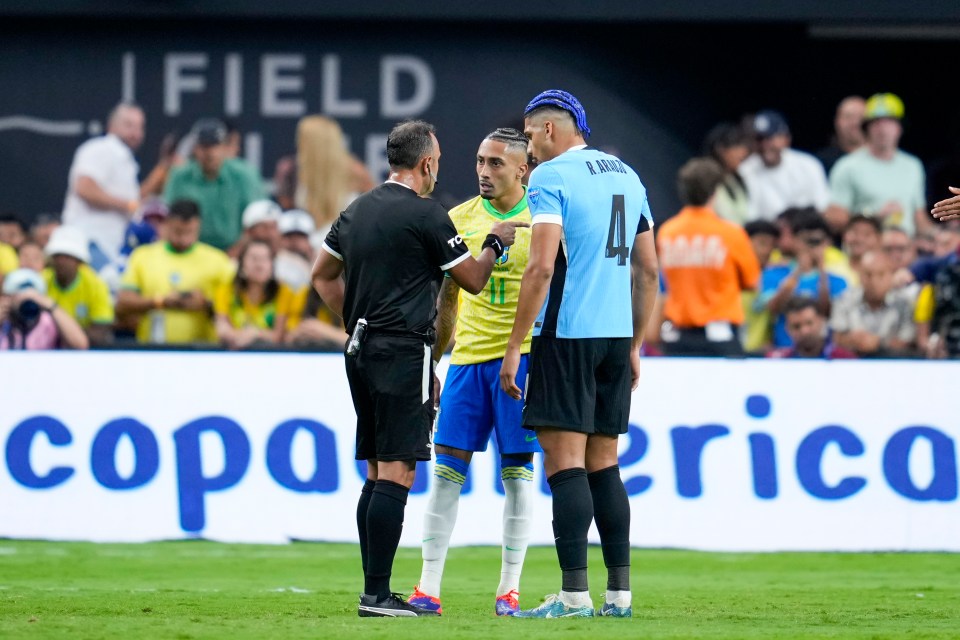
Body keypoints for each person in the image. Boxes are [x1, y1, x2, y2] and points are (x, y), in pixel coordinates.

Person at [310, 120, 527, 618]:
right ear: (427, 162)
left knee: (374, 470)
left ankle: (373, 591)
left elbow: (322, 276)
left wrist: (356, 321)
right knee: (398, 471)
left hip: (360, 350)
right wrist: (494, 242)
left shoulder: (355, 210)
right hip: (403, 350)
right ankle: (379, 597)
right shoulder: (428, 215)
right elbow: (471, 280)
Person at [498, 90, 659, 618]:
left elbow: (542, 267)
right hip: (615, 338)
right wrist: (635, 343)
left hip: (566, 334)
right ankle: (619, 596)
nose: (528, 148)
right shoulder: (629, 176)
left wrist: (514, 346)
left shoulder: (551, 177)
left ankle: (572, 597)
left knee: (565, 466)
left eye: (528, 135)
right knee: (605, 466)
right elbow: (649, 270)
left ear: (548, 130)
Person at [407, 128, 537, 617]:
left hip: (522, 359)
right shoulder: (458, 219)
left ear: (522, 169)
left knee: (518, 476)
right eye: (481, 161)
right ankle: (427, 587)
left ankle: (509, 591)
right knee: (444, 474)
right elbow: (448, 300)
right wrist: (436, 362)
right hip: (467, 363)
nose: (484, 172)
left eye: (496, 164)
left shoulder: (542, 218)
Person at [657, 157, 760, 357]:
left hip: (676, 338)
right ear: (715, 191)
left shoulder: (667, 232)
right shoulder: (731, 233)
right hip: (719, 337)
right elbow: (753, 283)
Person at [116, 199, 234, 345]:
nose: (184, 239)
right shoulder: (143, 256)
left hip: (204, 352)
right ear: (166, 225)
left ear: (199, 227)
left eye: (190, 232)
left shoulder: (219, 261)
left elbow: (235, 310)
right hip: (152, 350)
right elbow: (122, 303)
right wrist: (160, 301)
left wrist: (206, 304)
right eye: (178, 231)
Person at [826, 93, 929, 237]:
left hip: (906, 248)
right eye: (876, 123)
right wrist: (872, 219)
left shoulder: (913, 165)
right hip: (867, 249)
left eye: (889, 122)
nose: (883, 129)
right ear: (866, 129)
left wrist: (939, 234)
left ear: (900, 128)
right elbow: (834, 220)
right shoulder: (847, 166)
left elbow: (919, 217)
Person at [62, 103, 145, 270]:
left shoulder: (125, 159)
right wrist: (127, 205)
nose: (135, 133)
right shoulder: (101, 148)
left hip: (111, 247)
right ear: (111, 126)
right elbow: (84, 188)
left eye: (140, 127)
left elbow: (134, 200)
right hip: (90, 242)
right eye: (129, 125)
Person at [163, 119, 266, 251]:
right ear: (195, 149)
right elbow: (168, 219)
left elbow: (258, 221)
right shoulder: (179, 177)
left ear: (224, 147)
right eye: (204, 146)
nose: (210, 153)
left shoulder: (244, 175)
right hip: (190, 252)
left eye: (215, 146)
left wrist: (236, 253)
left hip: (236, 253)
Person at [760, 212, 848, 348]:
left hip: (823, 353)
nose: (811, 247)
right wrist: (798, 271)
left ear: (827, 243)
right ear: (795, 241)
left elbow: (827, 313)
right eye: (806, 241)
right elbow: (774, 308)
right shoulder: (774, 274)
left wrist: (821, 270)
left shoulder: (838, 281)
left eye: (817, 241)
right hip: (785, 350)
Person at [739, 110, 830, 221]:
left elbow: (822, 206)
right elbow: (750, 216)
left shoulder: (808, 165)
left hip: (803, 228)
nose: (764, 145)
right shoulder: (745, 170)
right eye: (759, 139)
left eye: (770, 138)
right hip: (768, 232)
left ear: (786, 139)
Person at [830, 251, 916, 357]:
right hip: (852, 363)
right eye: (868, 274)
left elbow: (907, 341)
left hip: (891, 364)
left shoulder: (903, 303)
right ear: (860, 275)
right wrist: (854, 340)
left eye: (881, 274)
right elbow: (837, 338)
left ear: (891, 275)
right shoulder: (844, 299)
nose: (874, 281)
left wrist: (878, 343)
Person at [41, 226, 114, 346]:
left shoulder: (96, 285)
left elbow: (100, 332)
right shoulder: (41, 281)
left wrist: (65, 331)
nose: (61, 261)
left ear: (79, 261)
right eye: (57, 255)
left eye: (68, 257)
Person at [214, 239, 292, 350]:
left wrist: (255, 334)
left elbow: (279, 336)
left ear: (272, 265)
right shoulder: (226, 289)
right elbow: (222, 329)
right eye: (254, 258)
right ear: (241, 264)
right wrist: (246, 336)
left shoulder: (283, 291)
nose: (259, 265)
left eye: (265, 259)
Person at [1, 268, 88, 350]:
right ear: (8, 297)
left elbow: (80, 345)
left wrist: (52, 306)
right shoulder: (4, 320)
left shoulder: (48, 321)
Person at [767, 296, 856, 359]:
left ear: (821, 321)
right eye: (796, 326)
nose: (804, 331)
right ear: (787, 329)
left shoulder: (844, 359)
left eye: (809, 323)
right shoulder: (778, 362)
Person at [741, 220, 780, 353]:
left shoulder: (777, 278)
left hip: (762, 354)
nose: (768, 250)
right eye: (762, 243)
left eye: (772, 246)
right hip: (733, 351)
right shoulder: (729, 278)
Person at [702, 123, 751, 225]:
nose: (743, 152)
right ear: (720, 149)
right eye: (737, 146)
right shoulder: (706, 181)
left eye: (744, 146)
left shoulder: (738, 180)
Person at [816, 96, 866, 174]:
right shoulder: (819, 163)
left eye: (861, 117)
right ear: (836, 122)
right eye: (848, 117)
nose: (855, 123)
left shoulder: (883, 159)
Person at [274, 209, 315, 290]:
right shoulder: (273, 266)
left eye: (300, 236)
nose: (294, 242)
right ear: (279, 239)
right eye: (289, 236)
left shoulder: (319, 264)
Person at [842, 214, 882, 279]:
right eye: (854, 232)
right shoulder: (831, 267)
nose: (859, 239)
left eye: (867, 234)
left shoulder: (886, 273)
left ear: (879, 239)